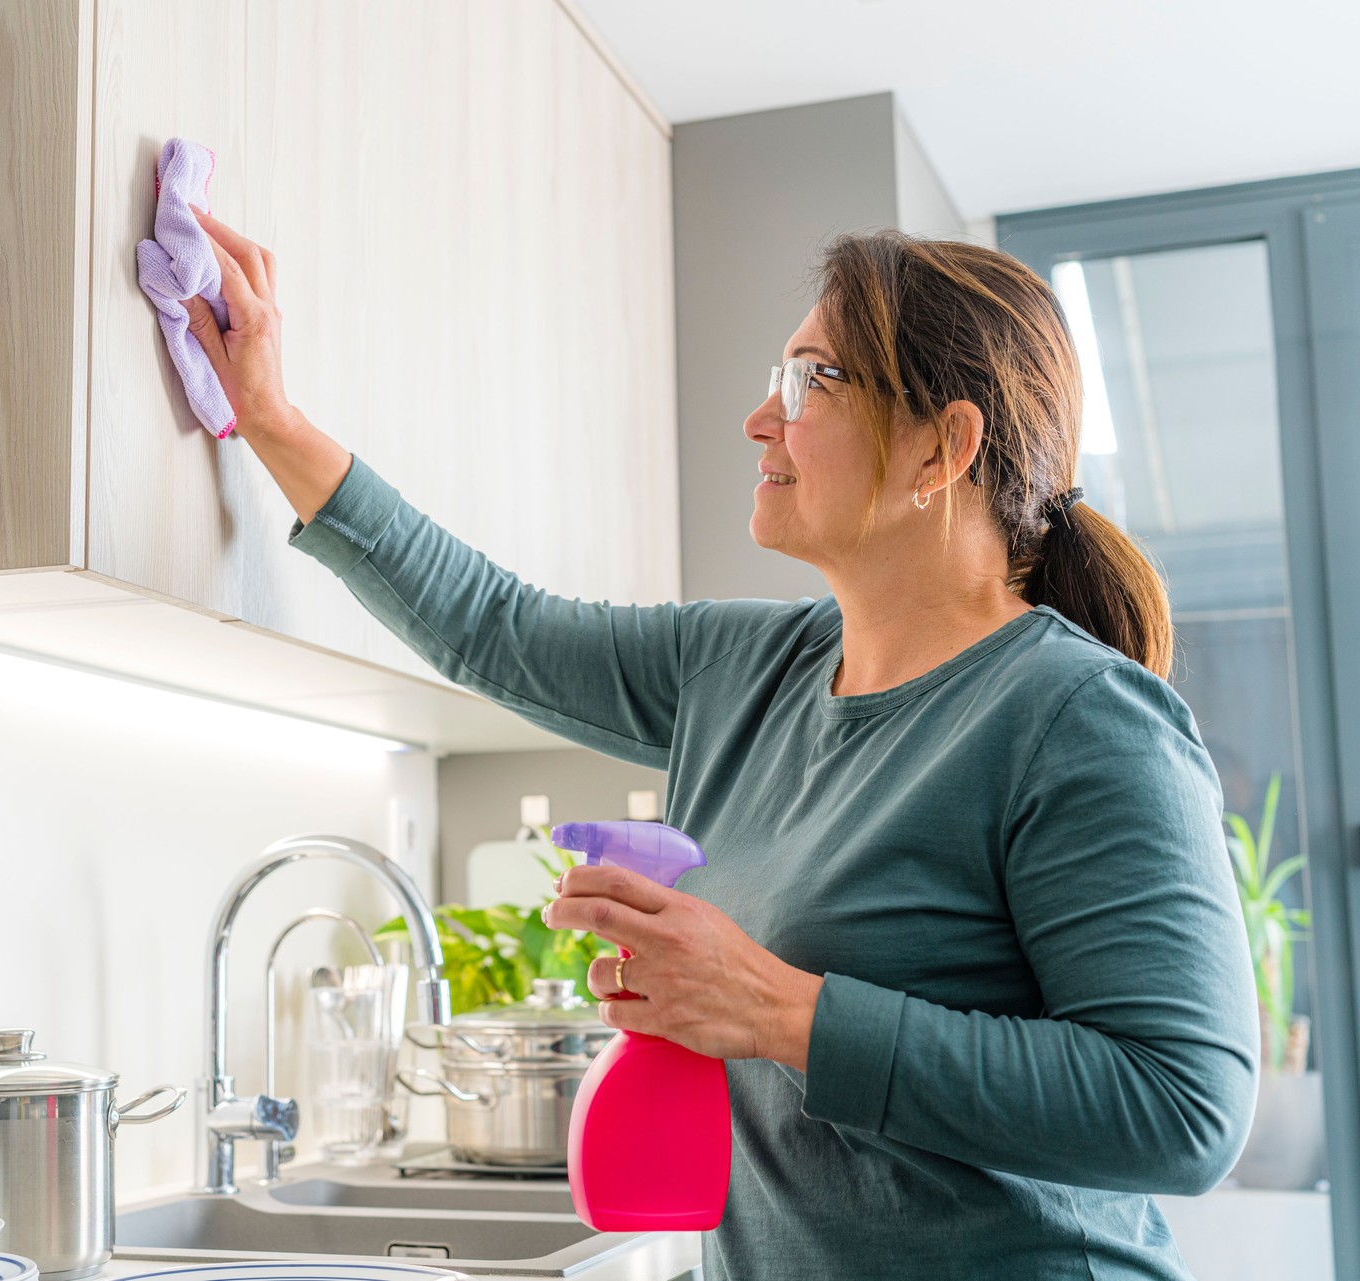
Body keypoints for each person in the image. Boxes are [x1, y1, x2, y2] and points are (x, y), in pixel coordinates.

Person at [181, 209, 1258, 1281]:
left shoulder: (1079, 718)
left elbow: (1182, 1108)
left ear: (944, 445)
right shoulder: (746, 669)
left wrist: (778, 1010)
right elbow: (492, 630)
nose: (759, 419)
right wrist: (270, 416)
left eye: (808, 382)